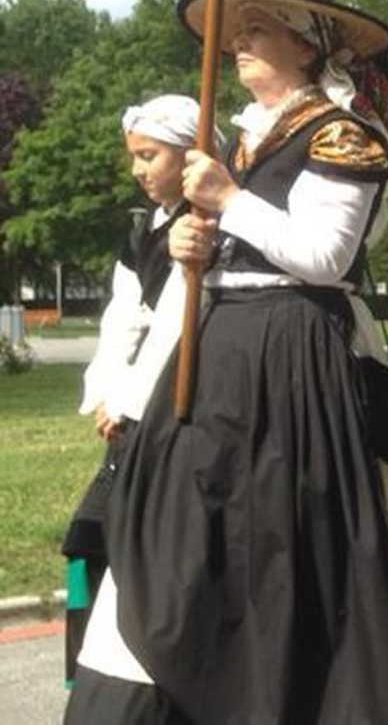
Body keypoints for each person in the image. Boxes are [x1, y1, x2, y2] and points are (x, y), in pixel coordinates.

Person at [65, 0, 388, 723]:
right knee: (179, 522)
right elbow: (241, 239)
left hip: (296, 362)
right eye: (235, 33)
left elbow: (323, 256)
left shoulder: (343, 132)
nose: (237, 44)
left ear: (306, 43)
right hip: (218, 349)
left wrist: (228, 202)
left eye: (256, 29)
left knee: (300, 541)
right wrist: (196, 243)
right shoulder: (245, 136)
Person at [62, 95, 216, 686]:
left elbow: (178, 324)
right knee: (94, 535)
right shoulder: (142, 233)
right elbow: (121, 320)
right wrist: (105, 393)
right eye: (135, 157)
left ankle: (166, 671)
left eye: (149, 156)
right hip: (132, 411)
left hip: (181, 407)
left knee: (166, 542)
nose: (137, 170)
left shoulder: (206, 226)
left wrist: (128, 405)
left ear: (188, 153)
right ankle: (98, 677)